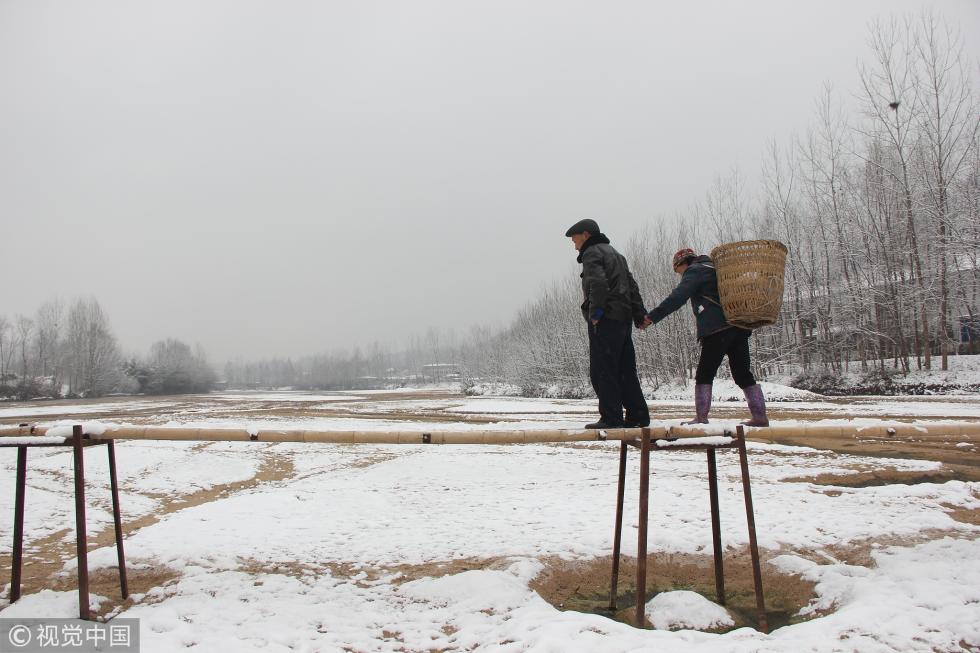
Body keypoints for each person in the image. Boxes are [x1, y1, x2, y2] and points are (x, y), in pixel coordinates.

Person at [642, 248, 769, 426]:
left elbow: (678, 297)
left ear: (682, 263)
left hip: (716, 329)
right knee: (742, 373)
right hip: (738, 327)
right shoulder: (715, 268)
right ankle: (760, 417)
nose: (679, 274)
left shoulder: (695, 271)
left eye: (677, 270)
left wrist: (652, 317)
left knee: (704, 374)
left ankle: (701, 418)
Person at [565, 218, 650, 429]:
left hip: (605, 319)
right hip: (624, 319)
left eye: (575, 239)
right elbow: (632, 286)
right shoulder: (617, 255)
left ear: (586, 235)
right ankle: (638, 416)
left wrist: (596, 312)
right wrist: (639, 314)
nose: (574, 244)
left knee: (603, 370)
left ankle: (611, 417)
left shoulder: (592, 252)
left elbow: (598, 283)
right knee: (625, 369)